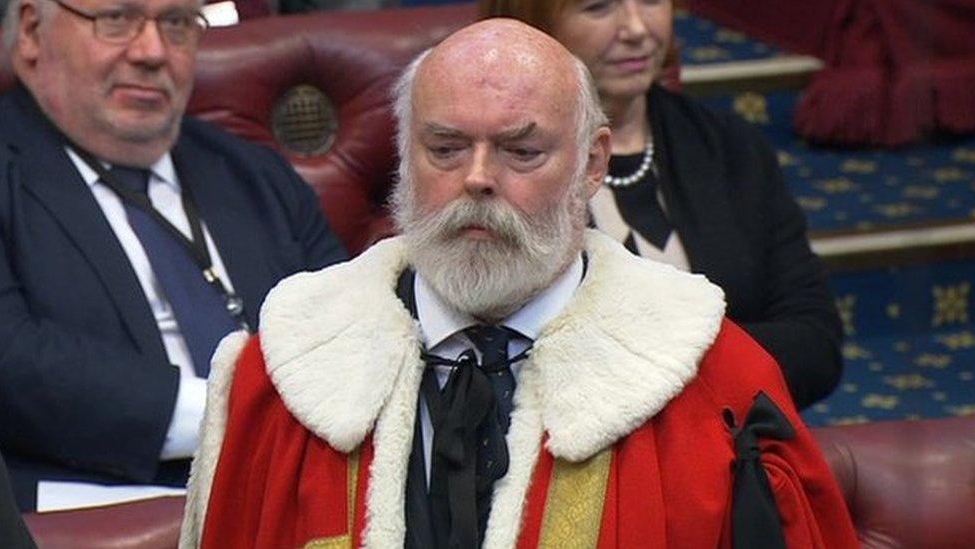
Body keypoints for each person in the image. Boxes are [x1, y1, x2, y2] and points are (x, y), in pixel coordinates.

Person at [181, 19, 857, 548]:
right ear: (405, 152)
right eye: (444, 148)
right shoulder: (284, 372)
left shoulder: (718, 383)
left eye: (521, 151)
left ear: (592, 164)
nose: (477, 178)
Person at [0, 0, 346, 511]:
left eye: (177, 23)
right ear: (31, 31)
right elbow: (14, 360)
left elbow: (352, 331)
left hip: (292, 501)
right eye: (116, 20)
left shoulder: (253, 176)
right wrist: (234, 415)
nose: (153, 52)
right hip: (93, 517)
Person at [479, 0, 842, 410]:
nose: (636, 28)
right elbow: (515, 360)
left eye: (651, 1)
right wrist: (722, 356)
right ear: (534, 26)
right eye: (599, 8)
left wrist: (660, 364)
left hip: (732, 447)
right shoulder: (493, 173)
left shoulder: (730, 147)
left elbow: (816, 345)